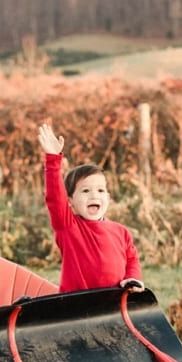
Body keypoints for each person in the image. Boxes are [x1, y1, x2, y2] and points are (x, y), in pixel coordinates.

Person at [37, 123, 144, 292]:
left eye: (100, 190)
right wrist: (53, 160)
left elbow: (131, 259)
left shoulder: (121, 232)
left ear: (108, 197)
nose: (94, 196)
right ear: (70, 200)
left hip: (113, 305)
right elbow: (55, 198)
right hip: (78, 307)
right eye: (86, 190)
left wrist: (132, 278)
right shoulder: (68, 227)